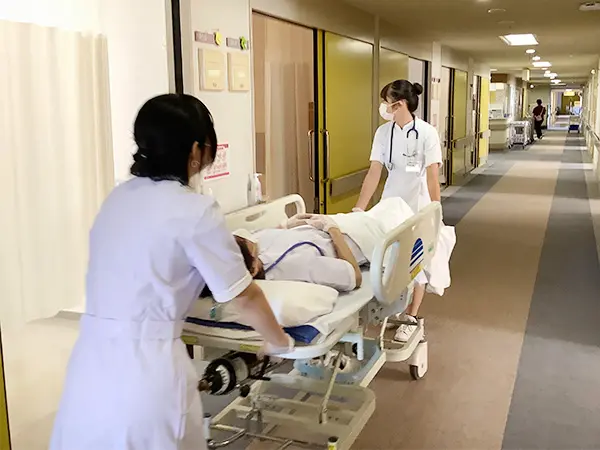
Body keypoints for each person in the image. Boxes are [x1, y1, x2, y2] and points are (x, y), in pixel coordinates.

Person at [50, 94, 292, 450]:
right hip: (149, 374)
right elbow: (245, 297)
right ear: (195, 150)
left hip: (90, 365)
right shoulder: (196, 211)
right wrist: (278, 341)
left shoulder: (117, 199)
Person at [353, 80, 442, 342]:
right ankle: (395, 308)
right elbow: (374, 172)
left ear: (400, 104)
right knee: (389, 258)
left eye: (387, 102)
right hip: (391, 203)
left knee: (417, 259)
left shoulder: (426, 133)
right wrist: (360, 208)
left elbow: (432, 177)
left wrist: (435, 211)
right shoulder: (383, 133)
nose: (384, 107)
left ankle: (412, 316)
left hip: (417, 204)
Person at [230, 214, 364, 293]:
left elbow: (260, 238)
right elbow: (355, 277)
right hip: (355, 237)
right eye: (244, 241)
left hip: (333, 223)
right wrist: (333, 229)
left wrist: (286, 225)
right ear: (253, 269)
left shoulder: (252, 250)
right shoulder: (296, 266)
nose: (247, 238)